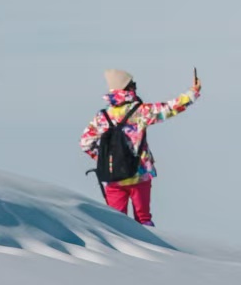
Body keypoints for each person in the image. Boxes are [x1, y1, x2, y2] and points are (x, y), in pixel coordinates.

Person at [80, 67, 200, 225]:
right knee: (143, 220)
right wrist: (193, 93)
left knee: (116, 224)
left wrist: (105, 160)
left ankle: (118, 250)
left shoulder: (102, 116)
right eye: (133, 84)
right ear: (127, 88)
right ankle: (152, 249)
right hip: (139, 173)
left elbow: (85, 143)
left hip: (113, 177)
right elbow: (170, 108)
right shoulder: (140, 111)